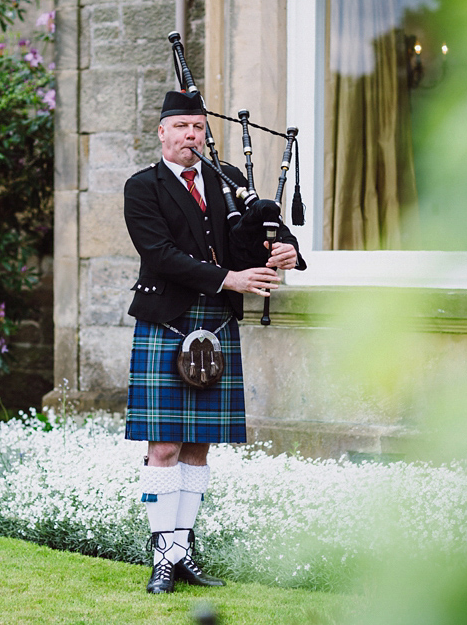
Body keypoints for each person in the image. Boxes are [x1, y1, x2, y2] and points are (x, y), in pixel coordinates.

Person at [123, 89, 305, 594]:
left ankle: (181, 552)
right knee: (163, 447)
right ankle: (163, 554)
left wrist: (284, 248)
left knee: (199, 448)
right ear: (161, 132)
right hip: (168, 321)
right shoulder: (143, 187)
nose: (190, 135)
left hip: (216, 323)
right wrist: (230, 279)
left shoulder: (230, 184)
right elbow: (159, 255)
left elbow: (259, 236)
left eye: (199, 127)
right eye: (180, 126)